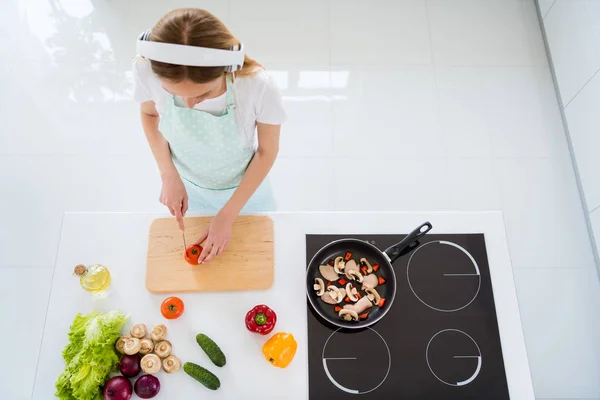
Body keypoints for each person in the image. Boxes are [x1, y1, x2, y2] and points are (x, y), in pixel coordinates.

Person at [133, 8, 285, 263]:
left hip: (245, 189)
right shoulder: (145, 69)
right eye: (176, 94)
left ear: (227, 68)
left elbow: (266, 152)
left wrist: (228, 215)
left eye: (202, 95)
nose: (190, 105)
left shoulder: (257, 86)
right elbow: (149, 115)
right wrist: (168, 174)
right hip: (188, 185)